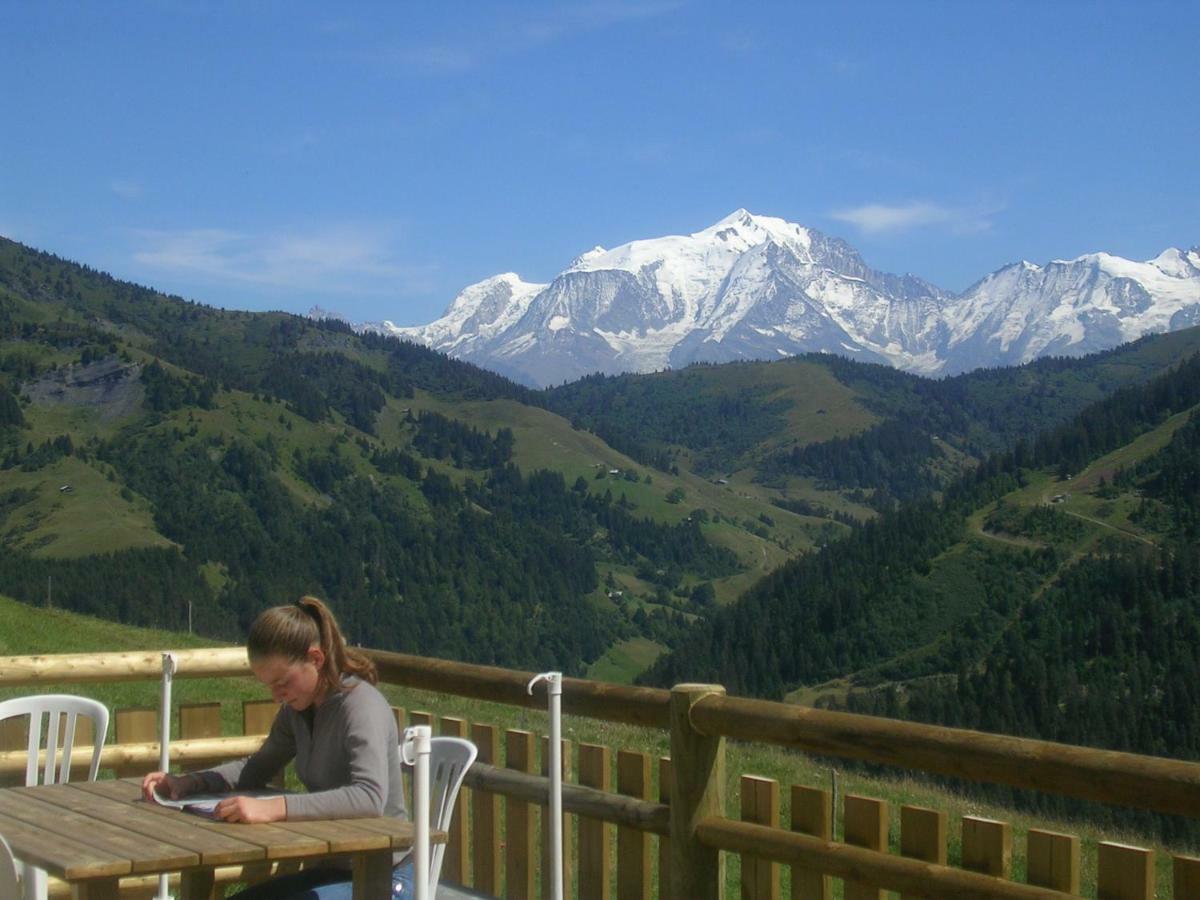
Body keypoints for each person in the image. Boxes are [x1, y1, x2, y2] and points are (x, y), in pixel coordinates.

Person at [142, 596, 412, 898]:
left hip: (384, 878)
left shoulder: (361, 706)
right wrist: (191, 781)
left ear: (316, 659)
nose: (276, 696)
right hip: (333, 871)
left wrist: (273, 808)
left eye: (282, 682)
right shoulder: (297, 711)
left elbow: (369, 797)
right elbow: (256, 767)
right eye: (269, 685)